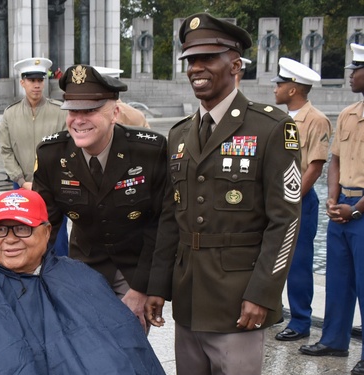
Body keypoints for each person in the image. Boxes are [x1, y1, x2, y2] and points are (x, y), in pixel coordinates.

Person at [145, 13, 301, 375]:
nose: (196, 68)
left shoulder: (271, 127)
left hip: (238, 300)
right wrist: (158, 285)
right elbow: (172, 217)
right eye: (191, 60)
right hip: (187, 298)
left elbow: (285, 221)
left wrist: (262, 293)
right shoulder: (180, 134)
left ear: (235, 65)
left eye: (207, 58)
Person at [0, 189, 166, 375]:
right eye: (1, 229)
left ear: (46, 232)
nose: (9, 239)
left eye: (22, 228)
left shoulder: (78, 276)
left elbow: (123, 347)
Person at [33, 64, 174, 332]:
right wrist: (42, 281)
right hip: (84, 264)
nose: (79, 119)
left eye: (91, 110)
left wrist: (142, 288)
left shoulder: (149, 151)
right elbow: (45, 228)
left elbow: (162, 225)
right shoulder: (52, 154)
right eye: (73, 111)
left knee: (128, 349)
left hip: (134, 267)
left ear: (115, 113)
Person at [299, 43, 364, 375]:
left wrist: (357, 209)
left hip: (363, 208)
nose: (351, 75)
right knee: (339, 278)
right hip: (343, 204)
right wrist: (334, 199)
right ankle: (335, 341)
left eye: (357, 69)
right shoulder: (350, 113)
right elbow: (335, 158)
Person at [270, 57, 331, 342]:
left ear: (293, 89)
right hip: (272, 199)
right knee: (269, 258)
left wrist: (292, 200)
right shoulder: (276, 118)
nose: (275, 89)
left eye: (280, 84)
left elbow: (315, 167)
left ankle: (301, 321)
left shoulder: (316, 119)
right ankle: (273, 311)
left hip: (299, 202)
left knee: (298, 263)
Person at [0, 57, 69, 256]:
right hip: (22, 186)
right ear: (23, 82)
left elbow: (67, 149)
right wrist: (21, 181)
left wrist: (54, 180)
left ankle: (59, 275)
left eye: (40, 80)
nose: (36, 85)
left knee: (57, 237)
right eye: (31, 80)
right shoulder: (10, 115)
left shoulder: (59, 112)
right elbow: (6, 150)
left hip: (54, 187)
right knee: (23, 234)